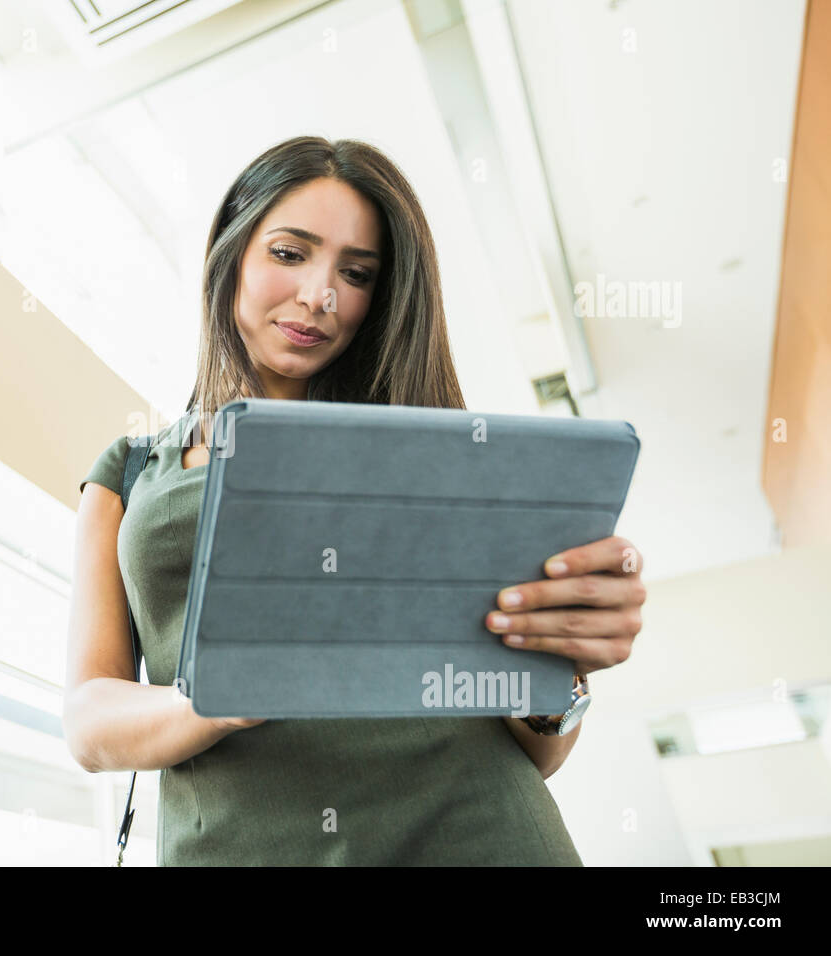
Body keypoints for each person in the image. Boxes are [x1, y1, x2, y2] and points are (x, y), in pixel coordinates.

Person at [63, 135, 646, 865]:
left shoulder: (439, 455)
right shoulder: (129, 469)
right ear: (232, 250)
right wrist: (217, 695)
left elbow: (537, 752)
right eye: (289, 253)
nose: (320, 295)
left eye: (358, 272)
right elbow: (89, 719)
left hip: (480, 835)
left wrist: (562, 670)